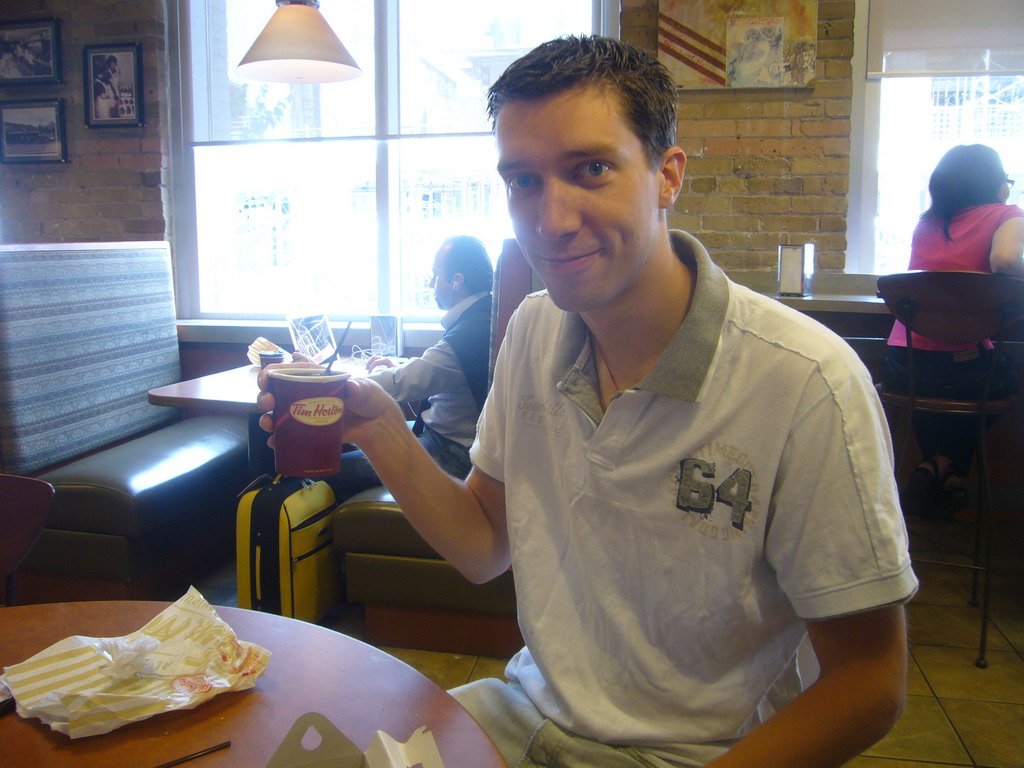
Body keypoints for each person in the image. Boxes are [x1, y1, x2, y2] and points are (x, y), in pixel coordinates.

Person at [260, 35, 916, 768]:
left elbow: (870, 680)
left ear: (667, 175)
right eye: (523, 182)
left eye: (591, 169)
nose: (551, 219)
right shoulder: (534, 331)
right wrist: (380, 423)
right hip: (523, 715)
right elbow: (483, 548)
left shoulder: (806, 381)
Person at [882, 144, 1024, 520]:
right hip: (964, 370)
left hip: (902, 364)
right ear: (996, 183)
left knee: (936, 399)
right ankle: (942, 467)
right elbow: (1007, 260)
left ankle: (944, 478)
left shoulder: (927, 222)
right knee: (1004, 373)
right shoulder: (1006, 214)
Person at [327, 235, 494, 500]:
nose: (430, 283)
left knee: (333, 467)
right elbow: (441, 369)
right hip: (448, 439)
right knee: (343, 445)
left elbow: (400, 384)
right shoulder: (484, 317)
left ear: (456, 281)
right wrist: (399, 366)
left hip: (451, 452)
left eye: (435, 275)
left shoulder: (470, 332)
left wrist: (328, 381)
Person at [93, 54, 121, 120]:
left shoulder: (117, 71)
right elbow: (112, 84)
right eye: (111, 64)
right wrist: (116, 94)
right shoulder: (107, 73)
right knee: (107, 113)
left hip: (110, 92)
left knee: (112, 112)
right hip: (108, 92)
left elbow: (115, 83)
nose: (113, 66)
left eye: (114, 64)